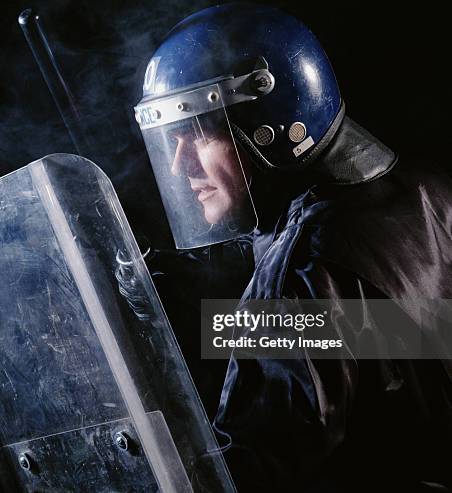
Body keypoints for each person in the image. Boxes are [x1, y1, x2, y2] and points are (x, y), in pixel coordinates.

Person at [133, 3, 452, 492]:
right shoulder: (427, 191)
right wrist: (184, 306)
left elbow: (249, 470)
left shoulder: (307, 266)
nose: (179, 165)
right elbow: (380, 331)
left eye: (195, 136)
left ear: (271, 123)